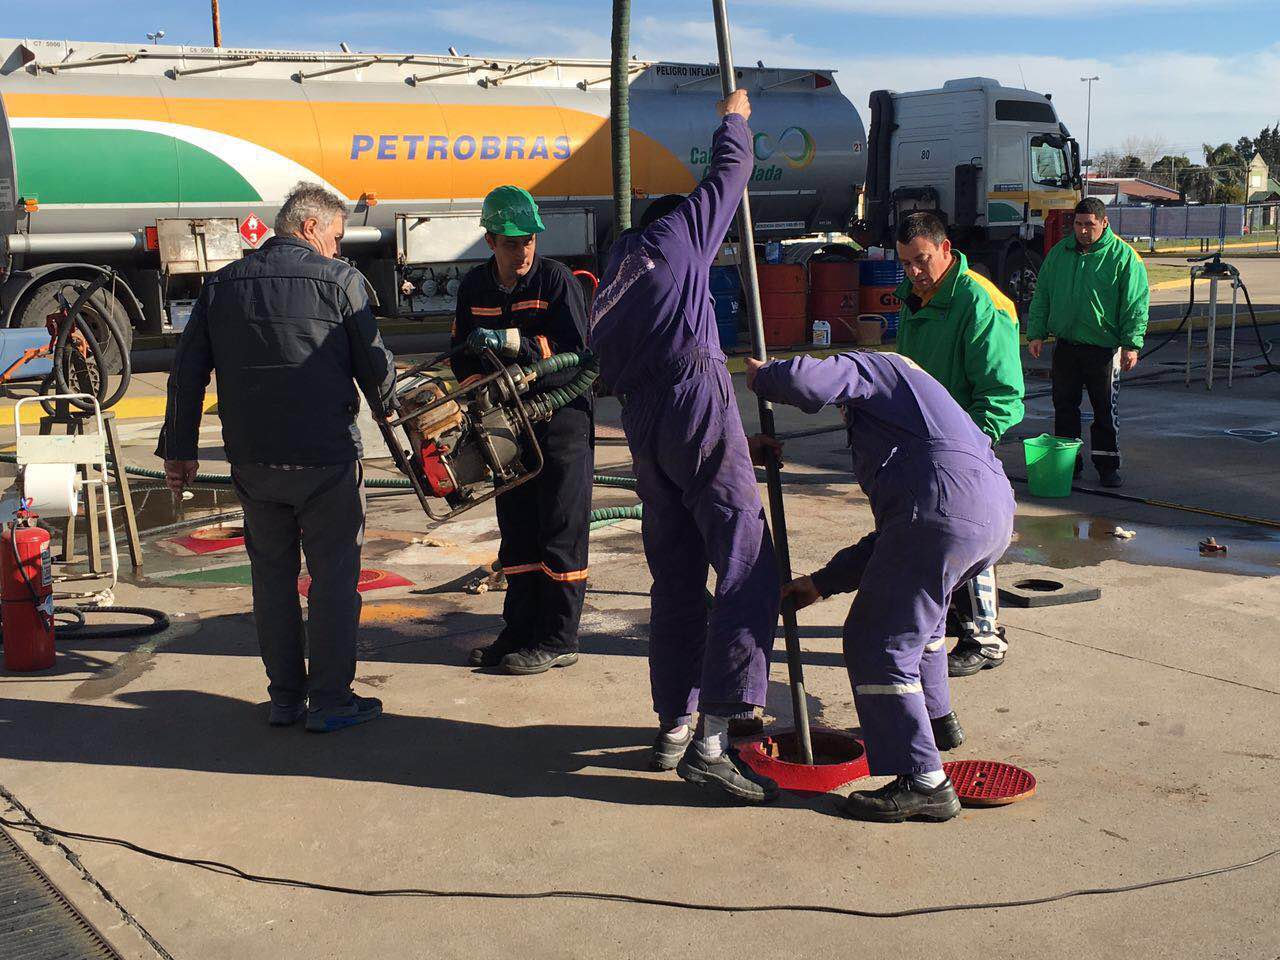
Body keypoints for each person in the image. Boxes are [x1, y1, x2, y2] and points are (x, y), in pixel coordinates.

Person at [590, 90, 780, 804]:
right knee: (746, 561)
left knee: (675, 579)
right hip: (691, 399)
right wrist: (736, 119)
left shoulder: (612, 283)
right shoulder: (676, 237)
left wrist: (731, 445)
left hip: (644, 428)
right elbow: (730, 175)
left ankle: (674, 722)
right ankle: (715, 736)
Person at [158, 182, 396, 733]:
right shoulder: (341, 282)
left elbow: (186, 372)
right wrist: (409, 434)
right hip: (327, 462)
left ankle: (286, 699)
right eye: (336, 236)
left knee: (271, 582)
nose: (337, 248)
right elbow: (377, 372)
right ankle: (331, 701)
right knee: (334, 583)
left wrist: (180, 451)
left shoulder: (221, 285)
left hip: (256, 464)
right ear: (310, 227)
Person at [747, 351, 1016, 823]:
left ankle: (923, 780)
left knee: (880, 641)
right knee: (924, 627)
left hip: (941, 515)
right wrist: (822, 583)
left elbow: (810, 382)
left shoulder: (879, 366)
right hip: (986, 517)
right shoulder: (921, 414)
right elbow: (895, 539)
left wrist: (764, 376)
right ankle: (936, 721)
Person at [452, 185, 593, 676]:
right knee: (517, 529)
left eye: (529, 240)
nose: (523, 251)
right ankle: (519, 629)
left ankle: (559, 637)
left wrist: (513, 345)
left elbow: (576, 352)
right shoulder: (474, 287)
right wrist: (478, 398)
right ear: (490, 241)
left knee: (560, 528)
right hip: (506, 426)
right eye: (512, 243)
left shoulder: (555, 280)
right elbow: (461, 356)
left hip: (560, 419)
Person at [893, 211, 1024, 679]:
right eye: (905, 263)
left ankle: (985, 638)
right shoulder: (915, 299)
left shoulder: (981, 303)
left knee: (967, 534)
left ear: (946, 249)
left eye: (922, 260)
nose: (914, 271)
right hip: (923, 444)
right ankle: (949, 618)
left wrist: (966, 451)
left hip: (964, 448)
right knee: (931, 538)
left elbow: (1003, 395)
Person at [1027, 197, 1149, 489]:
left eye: (1090, 225)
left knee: (1104, 409)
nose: (1083, 231)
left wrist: (1131, 344)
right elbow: (1042, 294)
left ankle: (1107, 466)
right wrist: (1036, 333)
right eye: (1079, 224)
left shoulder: (1123, 257)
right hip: (1067, 347)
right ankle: (1068, 464)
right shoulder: (1059, 254)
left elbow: (1135, 304)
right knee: (1064, 407)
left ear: (1104, 223)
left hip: (1103, 349)